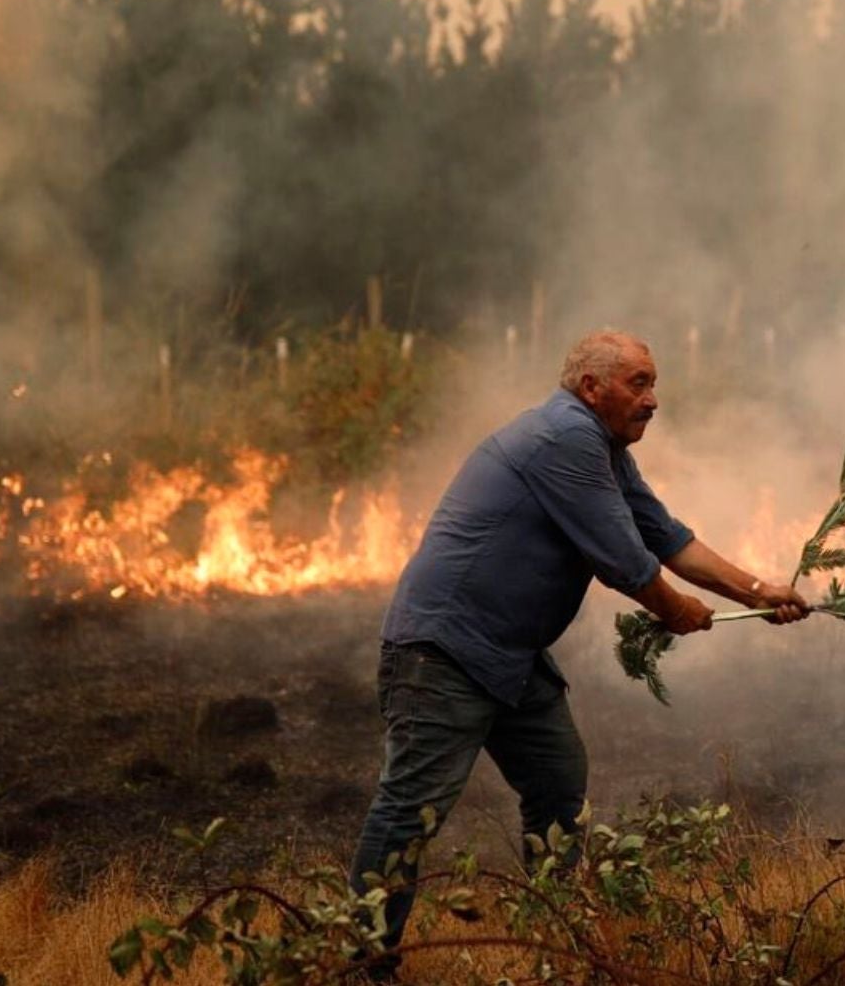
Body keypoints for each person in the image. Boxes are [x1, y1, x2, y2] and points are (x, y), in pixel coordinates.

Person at [347, 329, 810, 967]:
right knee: (411, 810)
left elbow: (666, 537)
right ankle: (359, 963)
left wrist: (758, 591)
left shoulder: (605, 449)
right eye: (638, 383)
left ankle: (552, 945)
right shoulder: (565, 436)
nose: (653, 400)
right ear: (591, 388)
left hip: (510, 656)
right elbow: (624, 560)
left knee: (559, 786)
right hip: (445, 649)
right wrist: (678, 611)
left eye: (654, 384)